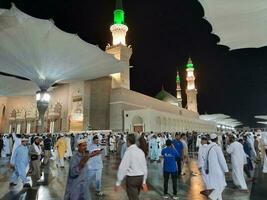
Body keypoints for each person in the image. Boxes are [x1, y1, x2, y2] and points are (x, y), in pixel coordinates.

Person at [115, 133, 148, 200]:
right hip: (140, 178)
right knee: (135, 196)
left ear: (128, 141)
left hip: (132, 179)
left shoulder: (129, 152)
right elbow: (144, 167)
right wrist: (144, 181)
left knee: (133, 198)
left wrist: (118, 182)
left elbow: (123, 168)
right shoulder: (140, 151)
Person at [205, 133, 229, 200]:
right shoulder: (217, 148)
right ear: (216, 139)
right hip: (218, 171)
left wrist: (206, 168)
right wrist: (226, 170)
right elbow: (222, 160)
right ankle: (211, 197)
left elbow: (205, 159)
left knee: (216, 186)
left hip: (211, 170)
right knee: (222, 185)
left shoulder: (208, 147)